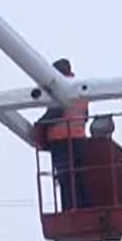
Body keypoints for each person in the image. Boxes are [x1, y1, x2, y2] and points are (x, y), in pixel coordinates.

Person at [34, 59, 89, 211]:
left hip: (61, 140)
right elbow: (85, 116)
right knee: (77, 176)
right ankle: (82, 206)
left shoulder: (61, 88)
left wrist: (39, 126)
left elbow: (56, 113)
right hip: (78, 138)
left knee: (66, 177)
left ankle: (70, 208)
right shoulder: (81, 88)